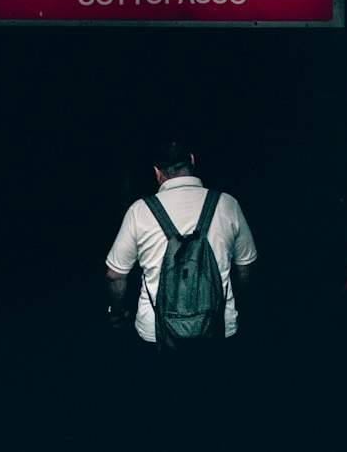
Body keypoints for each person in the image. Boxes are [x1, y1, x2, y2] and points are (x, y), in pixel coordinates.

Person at [105, 140, 257, 357]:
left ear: (157, 173)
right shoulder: (227, 204)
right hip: (217, 328)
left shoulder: (139, 211)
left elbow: (115, 275)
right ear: (192, 161)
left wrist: (117, 312)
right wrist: (241, 306)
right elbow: (245, 266)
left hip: (155, 333)